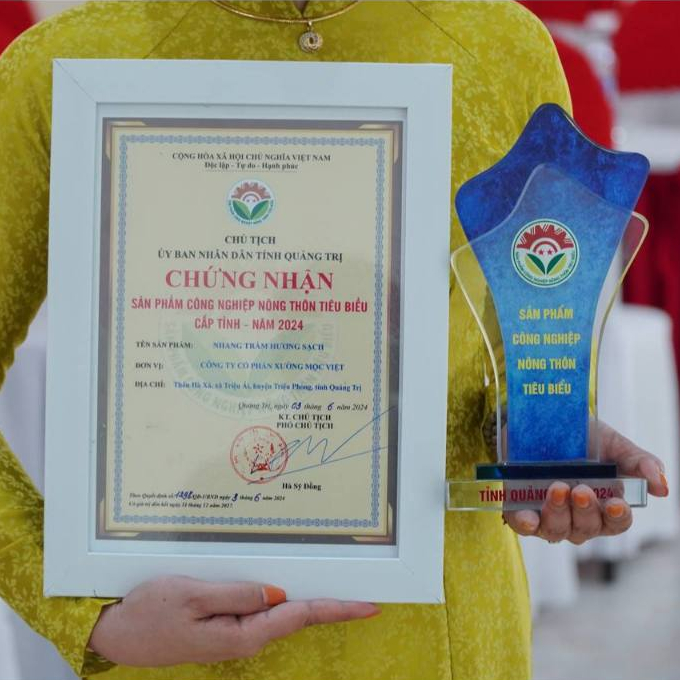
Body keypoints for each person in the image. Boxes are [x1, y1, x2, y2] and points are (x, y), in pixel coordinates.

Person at [0, 2, 668, 679]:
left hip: (442, 641)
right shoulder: (69, 63)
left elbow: (514, 337)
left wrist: (542, 438)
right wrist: (85, 617)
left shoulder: (498, 46)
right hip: (176, 653)